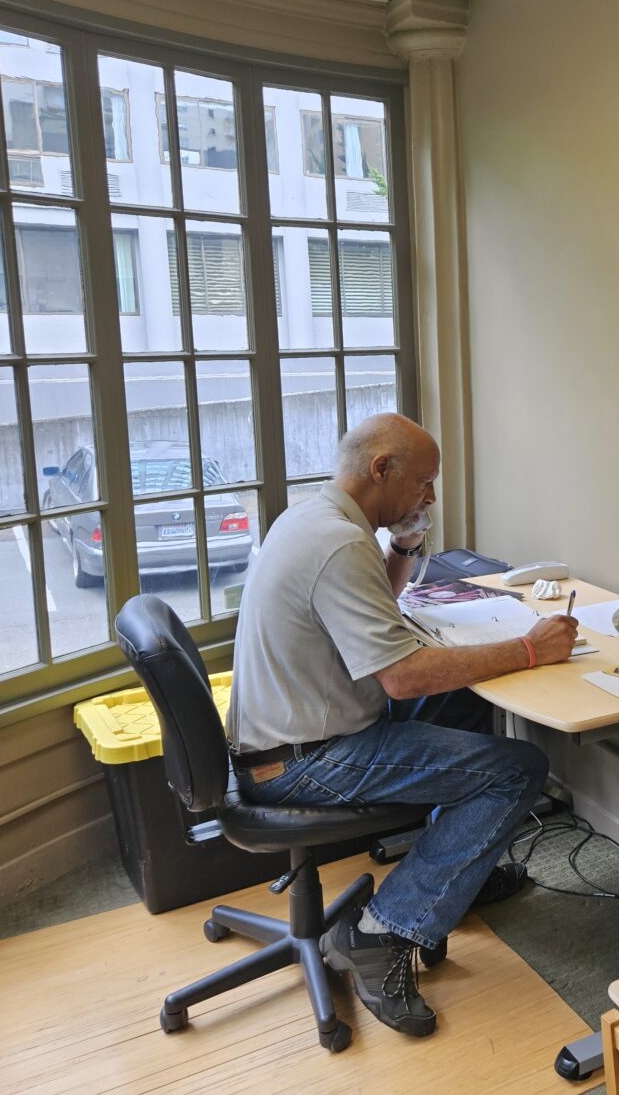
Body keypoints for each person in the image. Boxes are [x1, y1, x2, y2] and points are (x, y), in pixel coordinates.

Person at [226, 413, 577, 1038]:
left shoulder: (316, 519)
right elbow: (404, 677)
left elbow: (374, 612)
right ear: (381, 469)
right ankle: (380, 932)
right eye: (425, 482)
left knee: (462, 707)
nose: (432, 497)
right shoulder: (337, 542)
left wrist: (406, 547)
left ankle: (454, 871)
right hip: (306, 761)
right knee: (518, 769)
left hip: (291, 734)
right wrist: (529, 650)